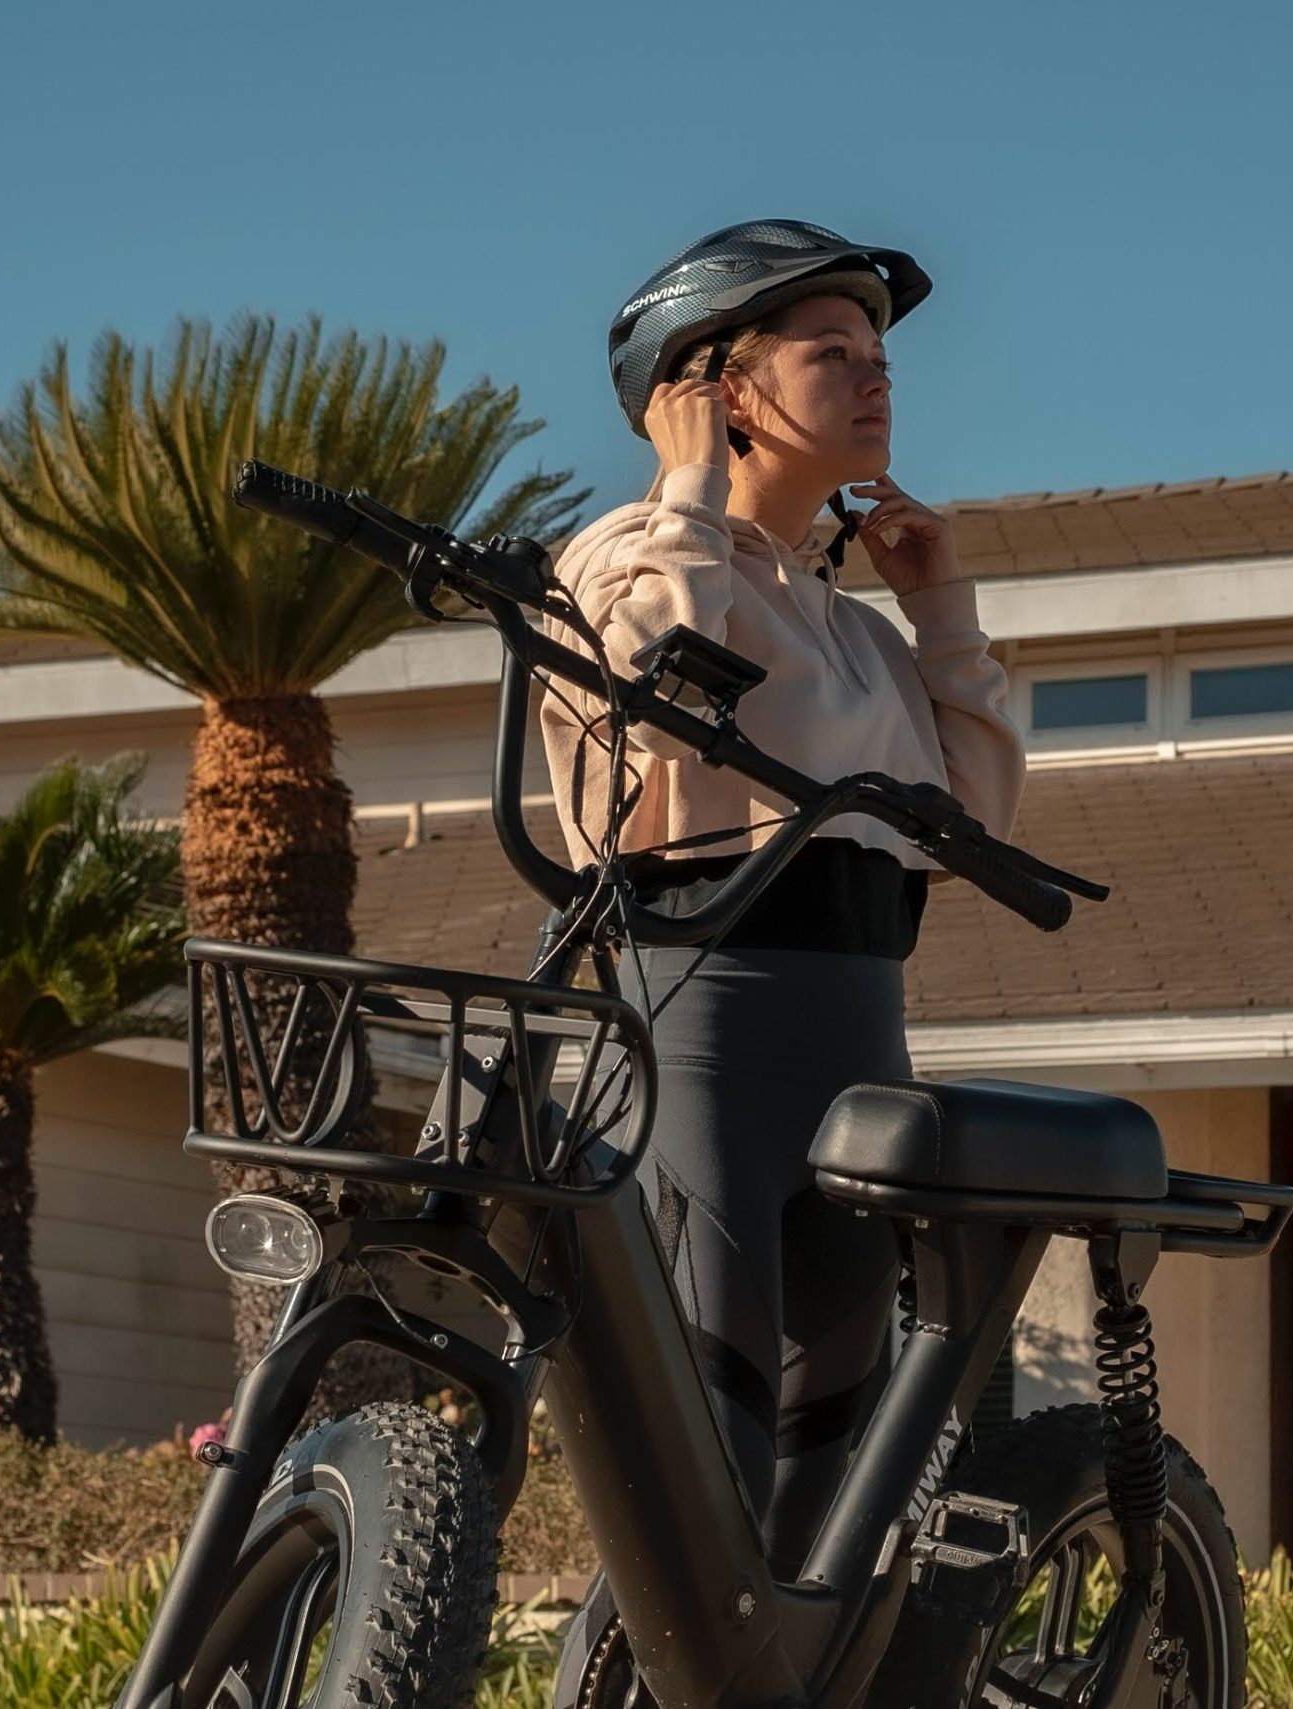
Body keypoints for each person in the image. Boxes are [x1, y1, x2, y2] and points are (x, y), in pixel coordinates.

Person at [541, 217, 1024, 1693]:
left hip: (859, 1042)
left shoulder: (858, 633)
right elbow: (654, 692)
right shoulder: (628, 552)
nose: (877, 381)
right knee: (706, 1470)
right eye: (835, 355)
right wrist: (686, 486)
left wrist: (939, 607)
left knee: (838, 1479)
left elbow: (978, 819)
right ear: (723, 389)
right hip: (702, 1036)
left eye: (882, 358)